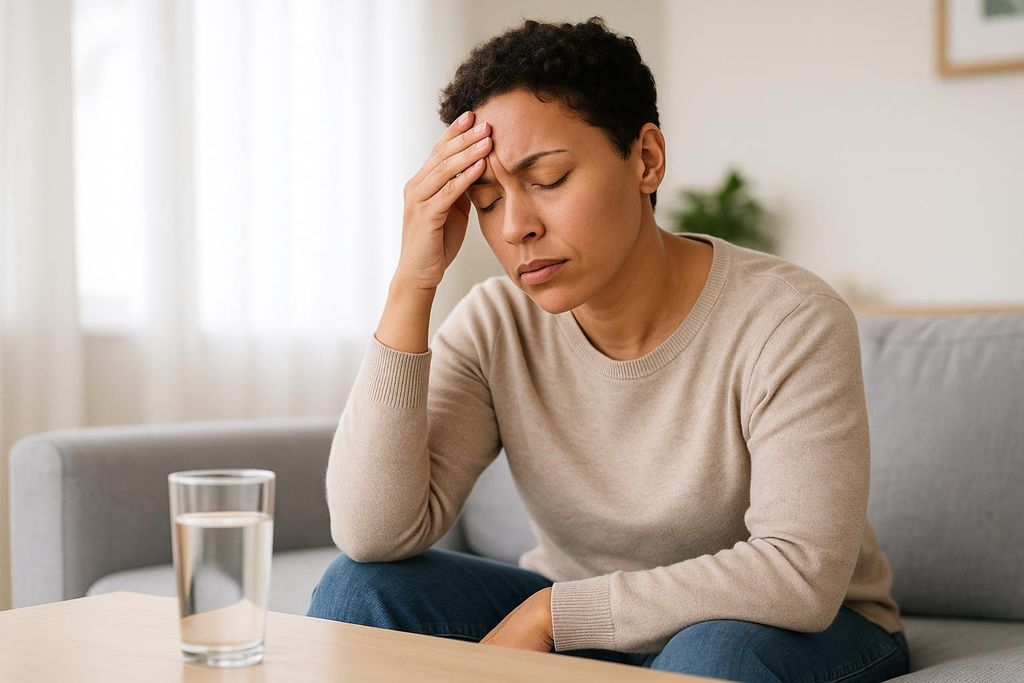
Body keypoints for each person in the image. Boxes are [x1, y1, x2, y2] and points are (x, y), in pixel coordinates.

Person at [307, 16, 910, 681]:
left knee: (709, 655)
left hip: (789, 627)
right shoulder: (495, 324)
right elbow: (373, 533)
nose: (516, 227)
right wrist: (411, 282)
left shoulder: (788, 317)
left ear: (646, 159)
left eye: (549, 178)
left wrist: (553, 615)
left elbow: (798, 571)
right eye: (485, 199)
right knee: (356, 587)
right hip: (594, 629)